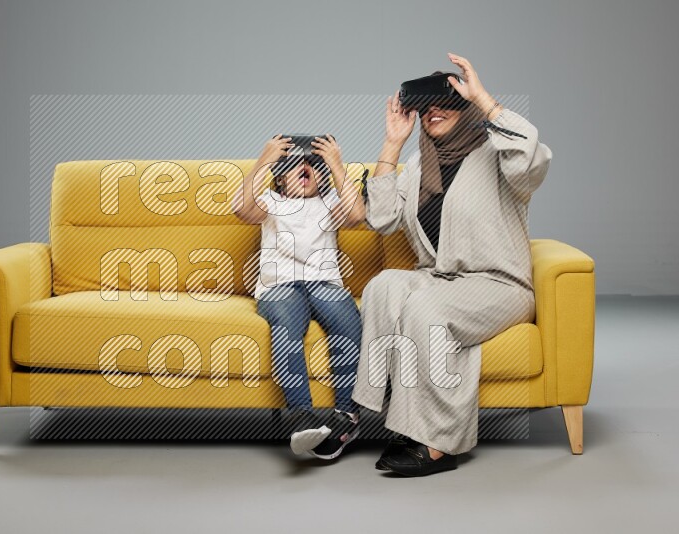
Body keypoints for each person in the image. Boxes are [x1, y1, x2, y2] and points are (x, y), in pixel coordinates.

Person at [353, 53, 553, 476]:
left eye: (446, 103)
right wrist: (393, 143)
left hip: (498, 285)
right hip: (442, 279)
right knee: (383, 286)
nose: (434, 112)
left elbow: (532, 160)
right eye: (426, 107)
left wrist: (483, 99)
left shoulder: (497, 154)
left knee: (427, 310)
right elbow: (383, 219)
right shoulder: (417, 166)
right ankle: (371, 412)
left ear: (466, 110)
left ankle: (440, 442)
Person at [232, 134, 365, 460]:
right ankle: (300, 415)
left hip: (324, 283)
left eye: (313, 165)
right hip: (280, 287)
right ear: (279, 177)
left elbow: (358, 216)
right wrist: (264, 160)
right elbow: (241, 209)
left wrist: (334, 164)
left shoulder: (331, 201)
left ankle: (346, 415)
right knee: (286, 323)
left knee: (347, 322)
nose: (305, 169)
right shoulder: (271, 202)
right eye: (294, 166)